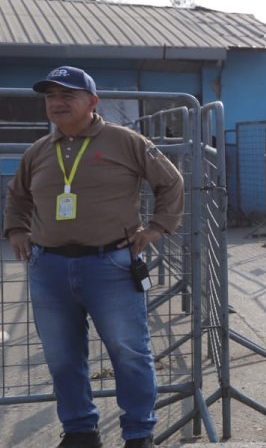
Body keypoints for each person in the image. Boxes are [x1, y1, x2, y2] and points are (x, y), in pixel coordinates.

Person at [3, 66, 184, 448]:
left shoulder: (125, 141)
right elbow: (18, 195)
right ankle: (80, 431)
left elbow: (171, 182)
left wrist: (157, 227)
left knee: (128, 351)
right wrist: (16, 229)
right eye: (51, 96)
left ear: (93, 101)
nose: (57, 102)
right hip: (49, 268)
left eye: (67, 95)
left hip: (111, 266)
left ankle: (139, 433)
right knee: (61, 355)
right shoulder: (39, 150)